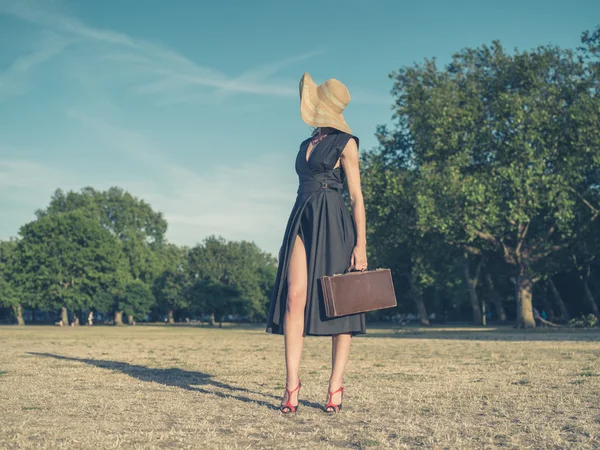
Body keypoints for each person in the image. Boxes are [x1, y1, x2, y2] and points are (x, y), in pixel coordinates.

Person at [265, 72, 368, 414]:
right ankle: (291, 386)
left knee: (342, 302)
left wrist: (361, 245)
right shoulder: (304, 145)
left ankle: (335, 385)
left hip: (334, 220)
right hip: (301, 217)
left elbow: (356, 196)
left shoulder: (346, 143)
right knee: (295, 297)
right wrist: (288, 237)